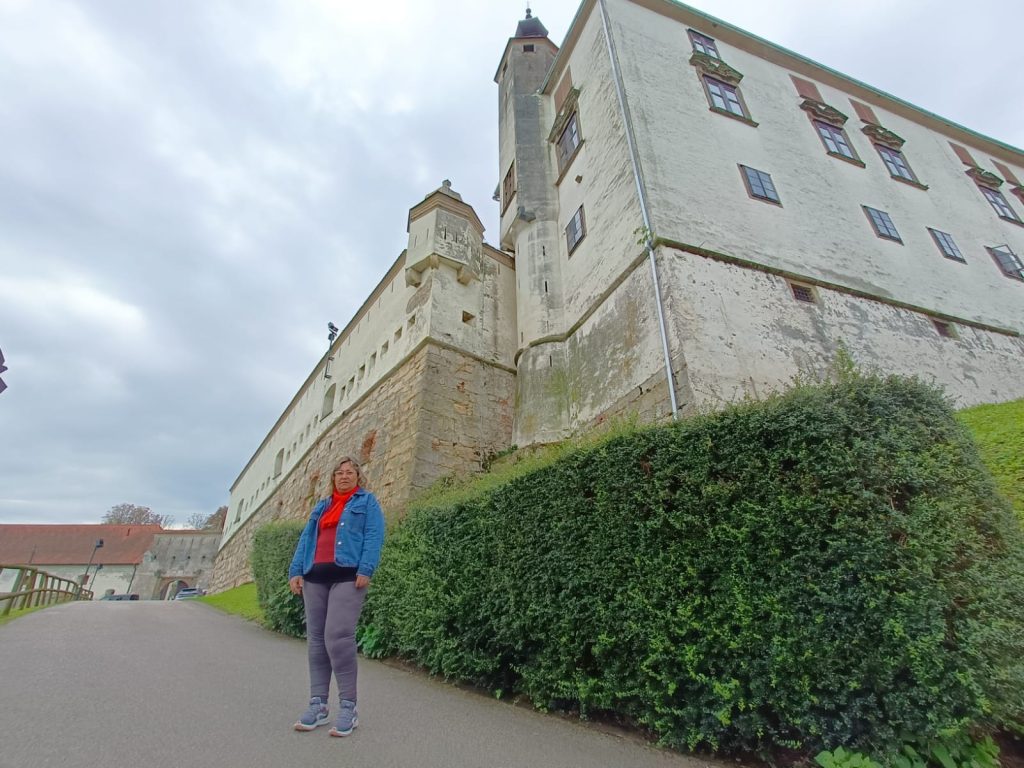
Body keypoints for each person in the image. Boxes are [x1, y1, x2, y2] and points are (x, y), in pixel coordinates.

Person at [288, 456, 385, 736]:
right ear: (333, 478)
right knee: (316, 640)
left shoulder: (366, 502)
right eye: (339, 473)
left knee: (338, 638)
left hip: (347, 574)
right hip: (314, 575)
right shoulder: (322, 506)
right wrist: (296, 571)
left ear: (358, 477)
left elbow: (374, 535)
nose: (344, 476)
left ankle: (348, 707)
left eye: (350, 472)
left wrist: (366, 568)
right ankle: (318, 705)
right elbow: (307, 539)